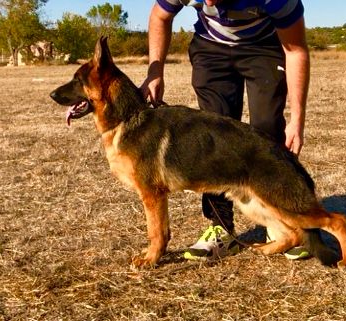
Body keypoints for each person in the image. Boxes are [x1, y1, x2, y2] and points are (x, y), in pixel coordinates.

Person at [141, 0, 335, 263]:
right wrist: (155, 71)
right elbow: (159, 17)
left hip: (264, 47)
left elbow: (296, 49)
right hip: (211, 48)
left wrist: (297, 118)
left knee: (265, 130)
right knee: (210, 142)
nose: (208, 2)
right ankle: (220, 227)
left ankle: (281, 224)